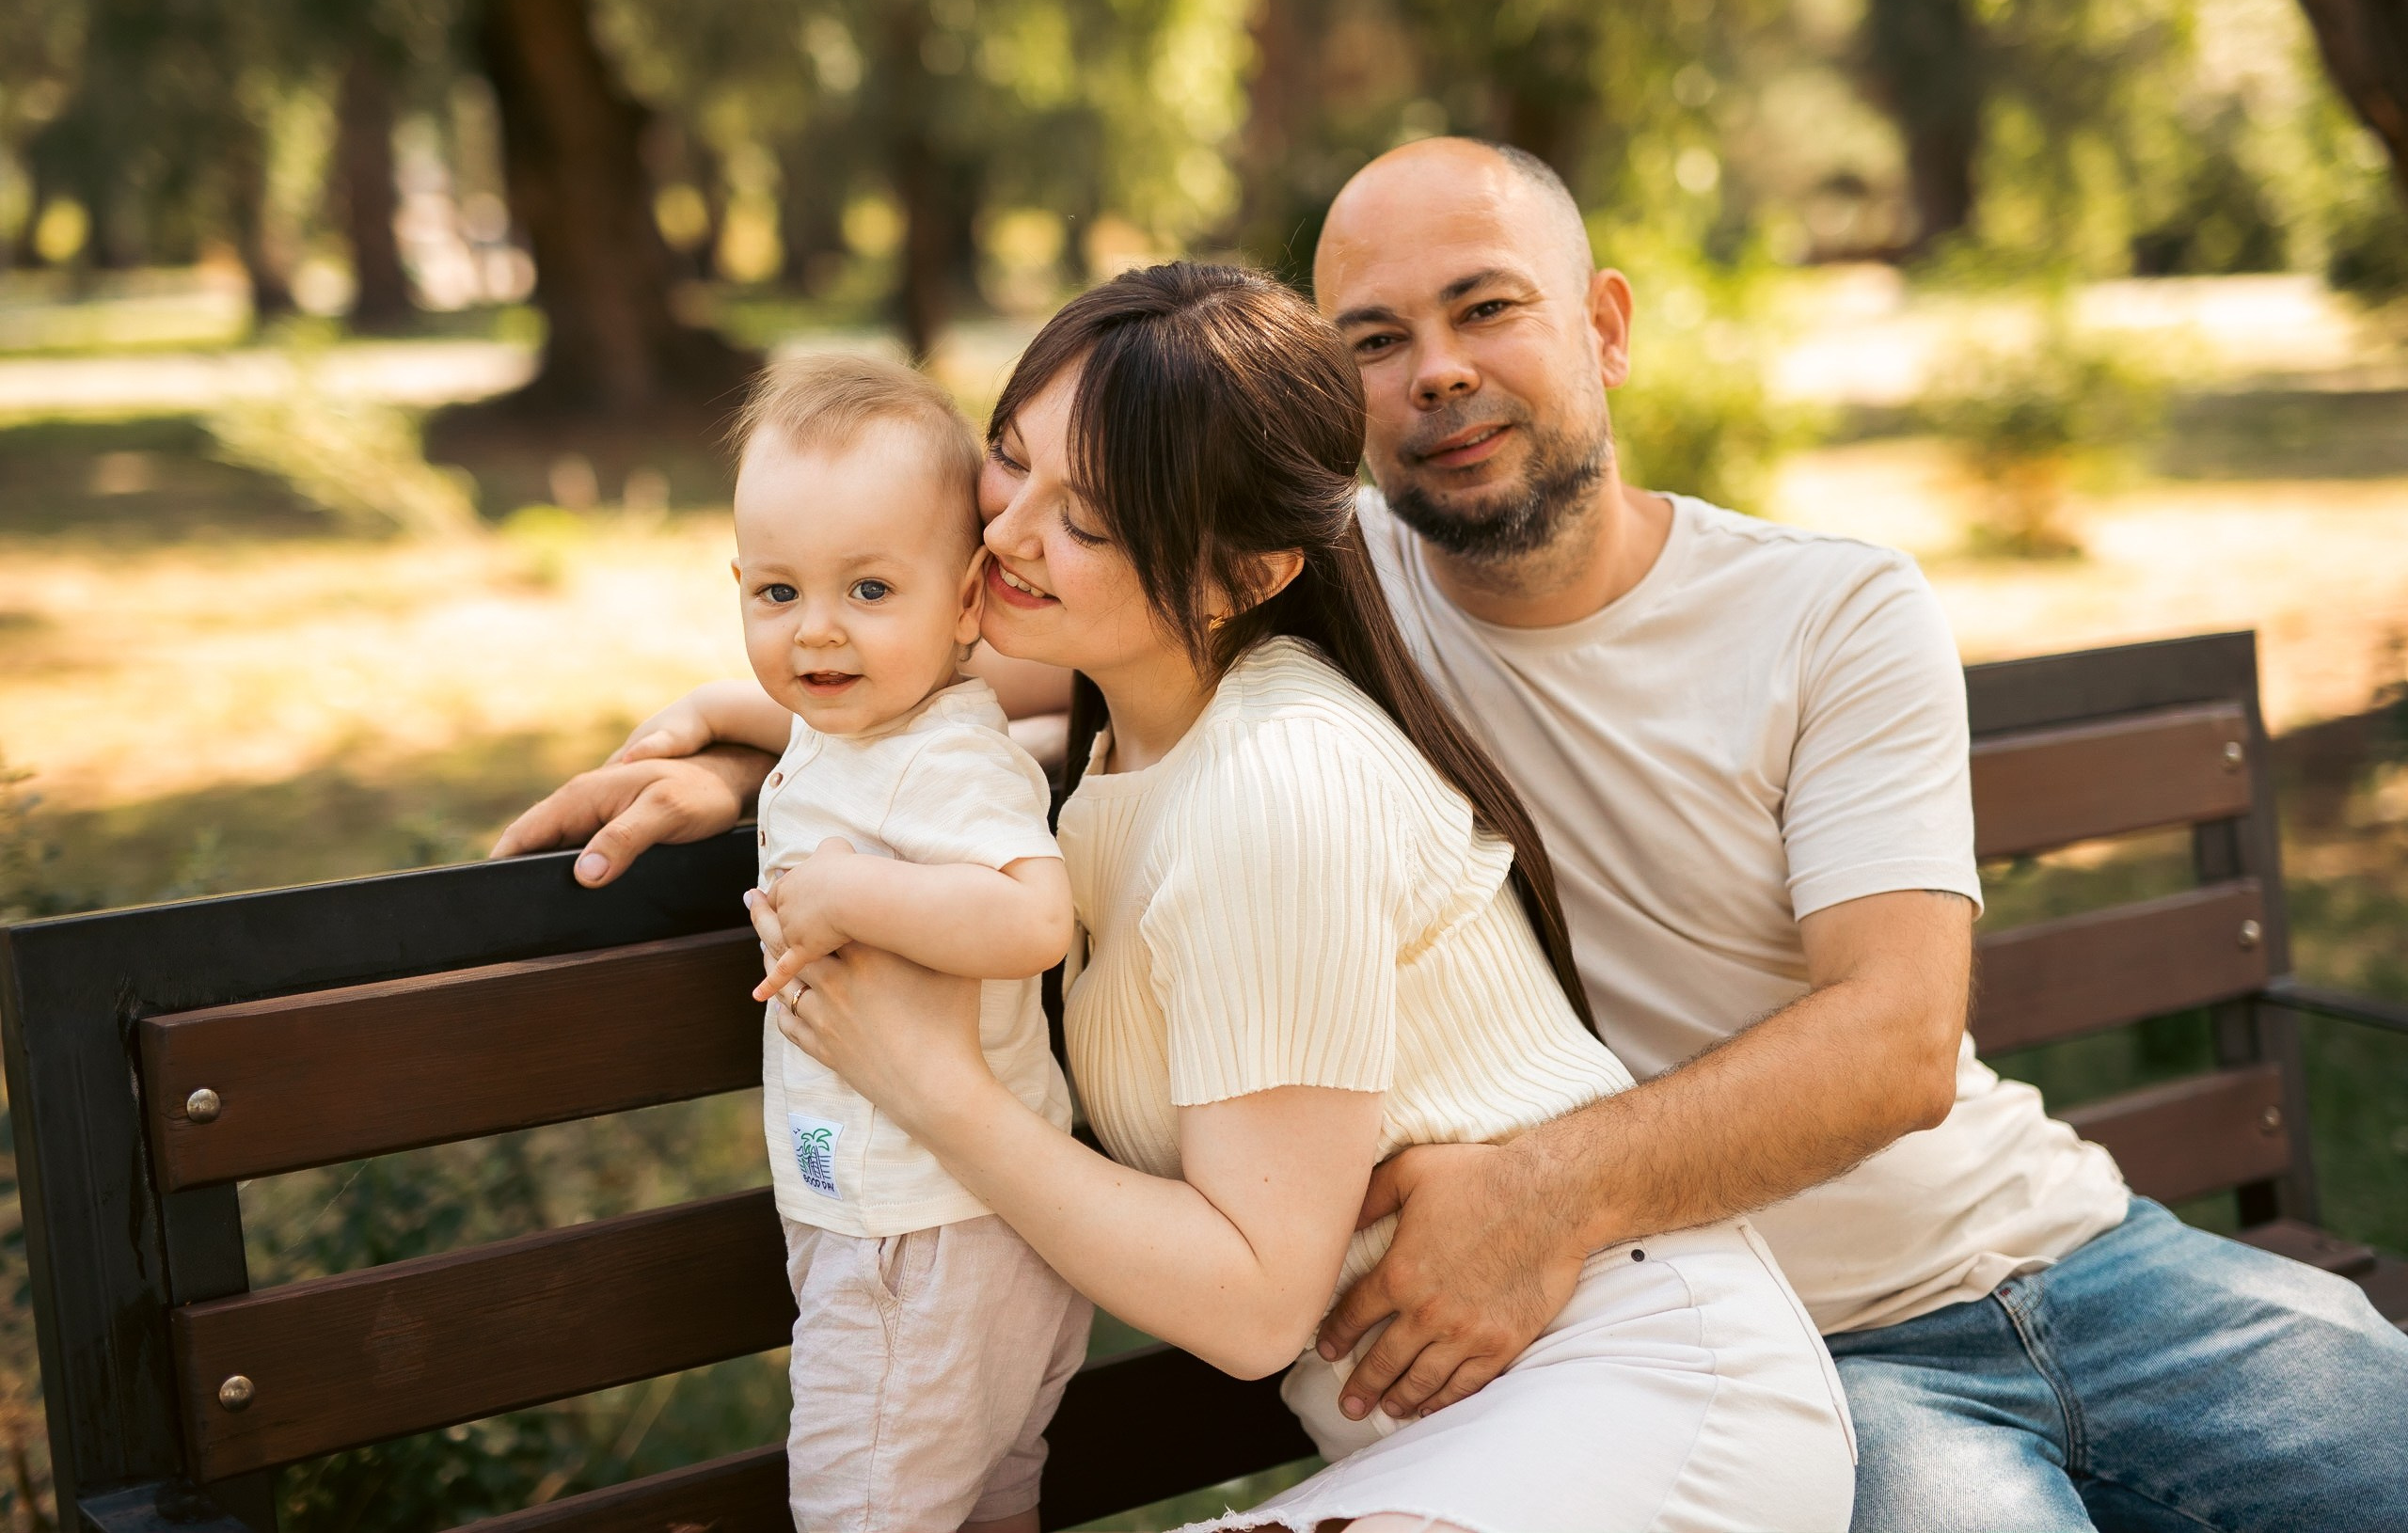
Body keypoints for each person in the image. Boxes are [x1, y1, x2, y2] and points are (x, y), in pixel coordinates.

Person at [499, 138, 2408, 1530]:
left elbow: (1897, 1042)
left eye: (1483, 308)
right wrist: (757, 757)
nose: (1434, 372)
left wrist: (1542, 1190)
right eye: (1374, 337)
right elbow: (955, 664)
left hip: (1982, 1258)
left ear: (1602, 323)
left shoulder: (1797, 614)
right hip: (1707, 1374)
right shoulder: (1300, 633)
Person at [606, 264, 1856, 1532]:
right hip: (1462, 1443)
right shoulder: (1133, 738)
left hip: (1630, 1407)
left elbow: (1257, 1306)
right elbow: (929, 736)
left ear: (1243, 575)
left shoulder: (1277, 783)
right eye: (1010, 459)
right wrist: (741, 748)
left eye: (1088, 520)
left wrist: (932, 1087)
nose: (1006, 534)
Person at [657, 353, 1090, 1533]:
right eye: (778, 594)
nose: (817, 633)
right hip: (950, 1224)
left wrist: (853, 893)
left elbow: (1033, 919)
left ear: (968, 601)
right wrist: (711, 712)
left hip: (913, 1242)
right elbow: (817, 720)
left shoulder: (945, 763)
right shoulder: (868, 725)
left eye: (868, 590)